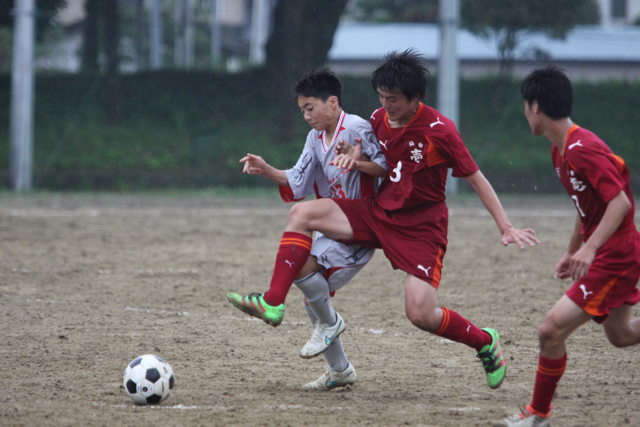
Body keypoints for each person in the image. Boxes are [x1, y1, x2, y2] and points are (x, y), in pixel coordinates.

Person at [229, 49, 539, 391]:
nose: (386, 106)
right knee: (301, 214)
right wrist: (356, 159)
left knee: (420, 314)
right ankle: (273, 302)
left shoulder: (441, 131)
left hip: (421, 228)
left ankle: (484, 341)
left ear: (415, 97)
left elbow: (476, 178)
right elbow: (375, 164)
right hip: (376, 212)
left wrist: (505, 226)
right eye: (381, 97)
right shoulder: (375, 120)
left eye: (393, 99)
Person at [493, 65, 640, 427]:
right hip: (608, 249)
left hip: (616, 253)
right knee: (622, 336)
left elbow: (619, 202)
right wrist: (573, 248)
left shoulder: (581, 148)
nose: (527, 112)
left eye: (526, 106)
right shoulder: (560, 152)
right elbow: (586, 206)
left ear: (535, 107)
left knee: (550, 330)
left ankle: (538, 414)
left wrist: (589, 251)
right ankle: (538, 414)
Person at [227, 68, 387, 390]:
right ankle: (340, 370)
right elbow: (298, 181)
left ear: (332, 102)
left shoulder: (356, 127)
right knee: (305, 281)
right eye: (302, 110)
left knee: (299, 216)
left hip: (363, 225)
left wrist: (356, 162)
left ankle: (273, 301)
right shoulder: (315, 138)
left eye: (310, 108)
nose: (306, 116)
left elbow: (385, 166)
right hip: (336, 225)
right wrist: (267, 169)